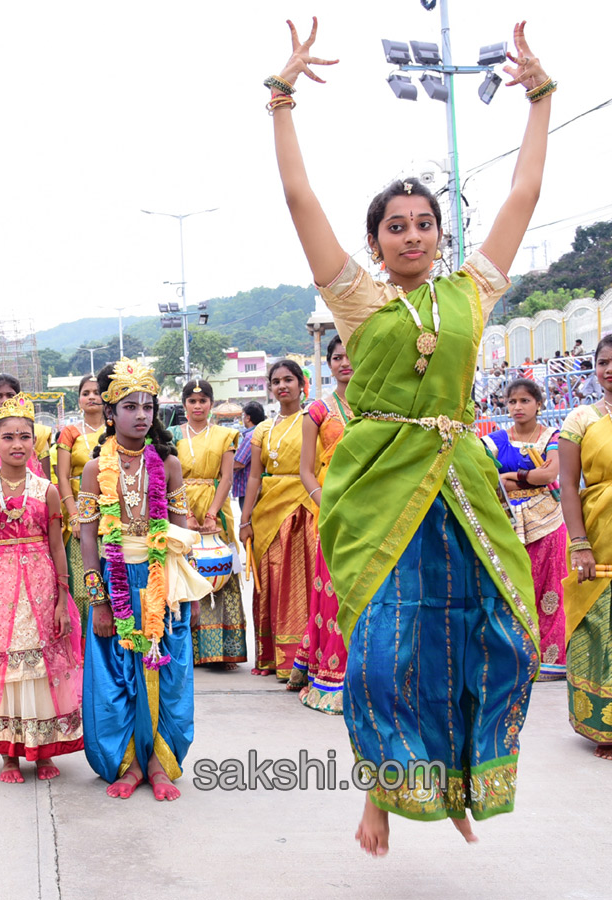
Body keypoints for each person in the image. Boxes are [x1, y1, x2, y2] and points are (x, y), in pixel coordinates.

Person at [268, 19, 549, 853]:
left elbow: (523, 197)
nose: (414, 233)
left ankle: (460, 779)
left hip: (461, 484)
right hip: (383, 484)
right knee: (388, 652)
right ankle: (382, 791)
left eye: (425, 221)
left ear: (441, 232)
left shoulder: (472, 292)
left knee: (492, 636)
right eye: (397, 224)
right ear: (375, 240)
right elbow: (299, 201)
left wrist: (540, 97)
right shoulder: (359, 301)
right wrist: (281, 99)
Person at [77, 359, 209, 801]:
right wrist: (97, 600)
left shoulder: (168, 464)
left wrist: (179, 579)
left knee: (166, 672)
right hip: (113, 582)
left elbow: (177, 530)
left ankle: (159, 762)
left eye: (148, 407)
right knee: (117, 677)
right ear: (110, 413)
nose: (141, 415)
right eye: (130, 406)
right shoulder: (95, 471)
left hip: (161, 582)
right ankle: (128, 763)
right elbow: (87, 536)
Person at [0, 393, 84, 782]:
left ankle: (43, 749)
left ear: (35, 442)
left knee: (43, 668)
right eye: (8, 437)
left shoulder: (46, 490)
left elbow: (58, 546)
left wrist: (64, 600)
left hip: (42, 588)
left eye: (25, 436)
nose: (17, 444)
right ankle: (9, 755)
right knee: (5, 671)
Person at [483, 379, 568, 680]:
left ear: (538, 404)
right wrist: (530, 477)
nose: (518, 407)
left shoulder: (551, 436)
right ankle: (515, 659)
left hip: (546, 520)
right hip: (506, 521)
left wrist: (510, 476)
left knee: (549, 590)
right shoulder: (496, 440)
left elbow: (551, 472)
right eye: (512, 402)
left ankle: (551, 661)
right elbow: (484, 474)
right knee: (511, 588)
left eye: (525, 401)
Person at [239, 360, 318, 681]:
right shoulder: (263, 429)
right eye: (276, 381)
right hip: (269, 510)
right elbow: (255, 476)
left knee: (307, 580)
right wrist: (245, 520)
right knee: (272, 579)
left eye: (289, 379)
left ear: (301, 384)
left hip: (307, 505)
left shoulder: (315, 419)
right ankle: (276, 658)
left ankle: (309, 657)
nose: (282, 386)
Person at [288, 335, 352, 712]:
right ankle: (332, 673)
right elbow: (306, 470)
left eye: (352, 355)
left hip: (374, 511)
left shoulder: (377, 405)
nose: (345, 362)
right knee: (334, 590)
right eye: (338, 357)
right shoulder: (318, 411)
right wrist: (324, 504)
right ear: (328, 364)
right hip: (331, 511)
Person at [559, 333, 612, 759]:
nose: (609, 369)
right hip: (598, 532)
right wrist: (579, 543)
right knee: (601, 629)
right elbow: (568, 487)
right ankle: (606, 727)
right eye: (603, 362)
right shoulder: (580, 419)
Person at [170, 379, 248, 668]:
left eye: (203, 401)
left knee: (221, 572)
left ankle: (223, 651)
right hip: (180, 505)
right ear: (184, 405)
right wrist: (186, 513)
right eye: (192, 401)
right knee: (185, 570)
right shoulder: (173, 434)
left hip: (217, 505)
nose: (198, 406)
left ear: (211, 404)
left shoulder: (226, 434)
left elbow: (227, 477)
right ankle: (188, 649)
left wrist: (213, 512)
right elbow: (172, 477)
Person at [56, 374, 105, 630]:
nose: (92, 397)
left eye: (97, 392)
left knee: (111, 573)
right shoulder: (70, 432)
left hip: (111, 511)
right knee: (81, 576)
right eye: (86, 393)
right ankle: (82, 641)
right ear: (79, 399)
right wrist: (74, 515)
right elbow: (62, 477)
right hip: (78, 513)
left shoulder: (116, 428)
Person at [233, 402, 265, 516]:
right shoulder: (262, 431)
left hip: (248, 489)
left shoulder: (252, 435)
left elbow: (239, 463)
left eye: (243, 416)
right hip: (258, 487)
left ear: (248, 418)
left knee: (249, 522)